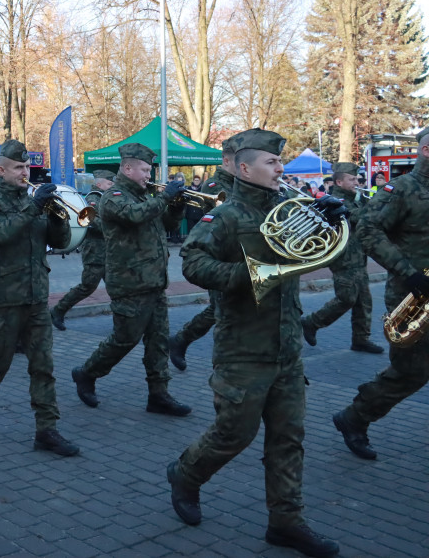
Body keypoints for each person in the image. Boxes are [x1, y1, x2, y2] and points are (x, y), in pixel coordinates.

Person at [169, 129, 343, 558]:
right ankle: (186, 475)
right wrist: (248, 275)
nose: (280, 168)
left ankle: (286, 522)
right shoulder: (225, 216)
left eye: (280, 162)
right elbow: (192, 262)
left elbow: (322, 254)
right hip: (243, 348)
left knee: (289, 439)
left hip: (286, 347)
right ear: (244, 168)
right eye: (271, 162)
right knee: (234, 434)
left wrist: (330, 219)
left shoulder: (290, 207)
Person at [0, 140, 78, 456]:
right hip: (4, 299)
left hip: (36, 298)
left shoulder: (34, 203)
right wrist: (34, 207)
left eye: (27, 167)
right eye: (18, 167)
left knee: (43, 366)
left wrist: (57, 217)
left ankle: (47, 430)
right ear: (1, 171)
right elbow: (1, 233)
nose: (25, 172)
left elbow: (61, 241)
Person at [71, 143, 191, 416]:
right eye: (145, 170)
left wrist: (176, 207)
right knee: (125, 339)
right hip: (129, 282)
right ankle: (87, 372)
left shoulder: (146, 195)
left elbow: (169, 226)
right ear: (127, 168)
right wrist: (163, 199)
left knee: (158, 341)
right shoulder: (113, 196)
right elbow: (134, 217)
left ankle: (159, 395)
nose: (150, 175)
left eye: (150, 170)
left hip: (154, 280)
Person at [333, 126, 429, 461]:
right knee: (410, 372)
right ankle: (354, 417)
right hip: (412, 295)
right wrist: (407, 271)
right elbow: (367, 229)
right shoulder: (403, 188)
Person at [168, 133, 244, 370]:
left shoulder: (244, 184)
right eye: (239, 162)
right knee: (222, 310)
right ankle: (187, 343)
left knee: (223, 309)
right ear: (226, 161)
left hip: (241, 257)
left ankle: (181, 340)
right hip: (217, 258)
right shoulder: (214, 187)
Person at [300, 162, 382, 353]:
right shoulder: (334, 200)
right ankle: (312, 323)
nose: (357, 182)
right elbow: (357, 217)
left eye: (357, 179)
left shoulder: (355, 198)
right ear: (339, 181)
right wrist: (378, 202)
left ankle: (361, 339)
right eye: (352, 179)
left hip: (358, 255)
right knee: (346, 298)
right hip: (344, 258)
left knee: (364, 300)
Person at [49, 170, 115, 331]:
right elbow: (89, 220)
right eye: (109, 183)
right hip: (95, 251)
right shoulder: (93, 198)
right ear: (99, 184)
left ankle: (123, 321)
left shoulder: (106, 198)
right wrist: (114, 227)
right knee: (88, 286)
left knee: (116, 287)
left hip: (108, 251)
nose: (112, 186)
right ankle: (58, 310)